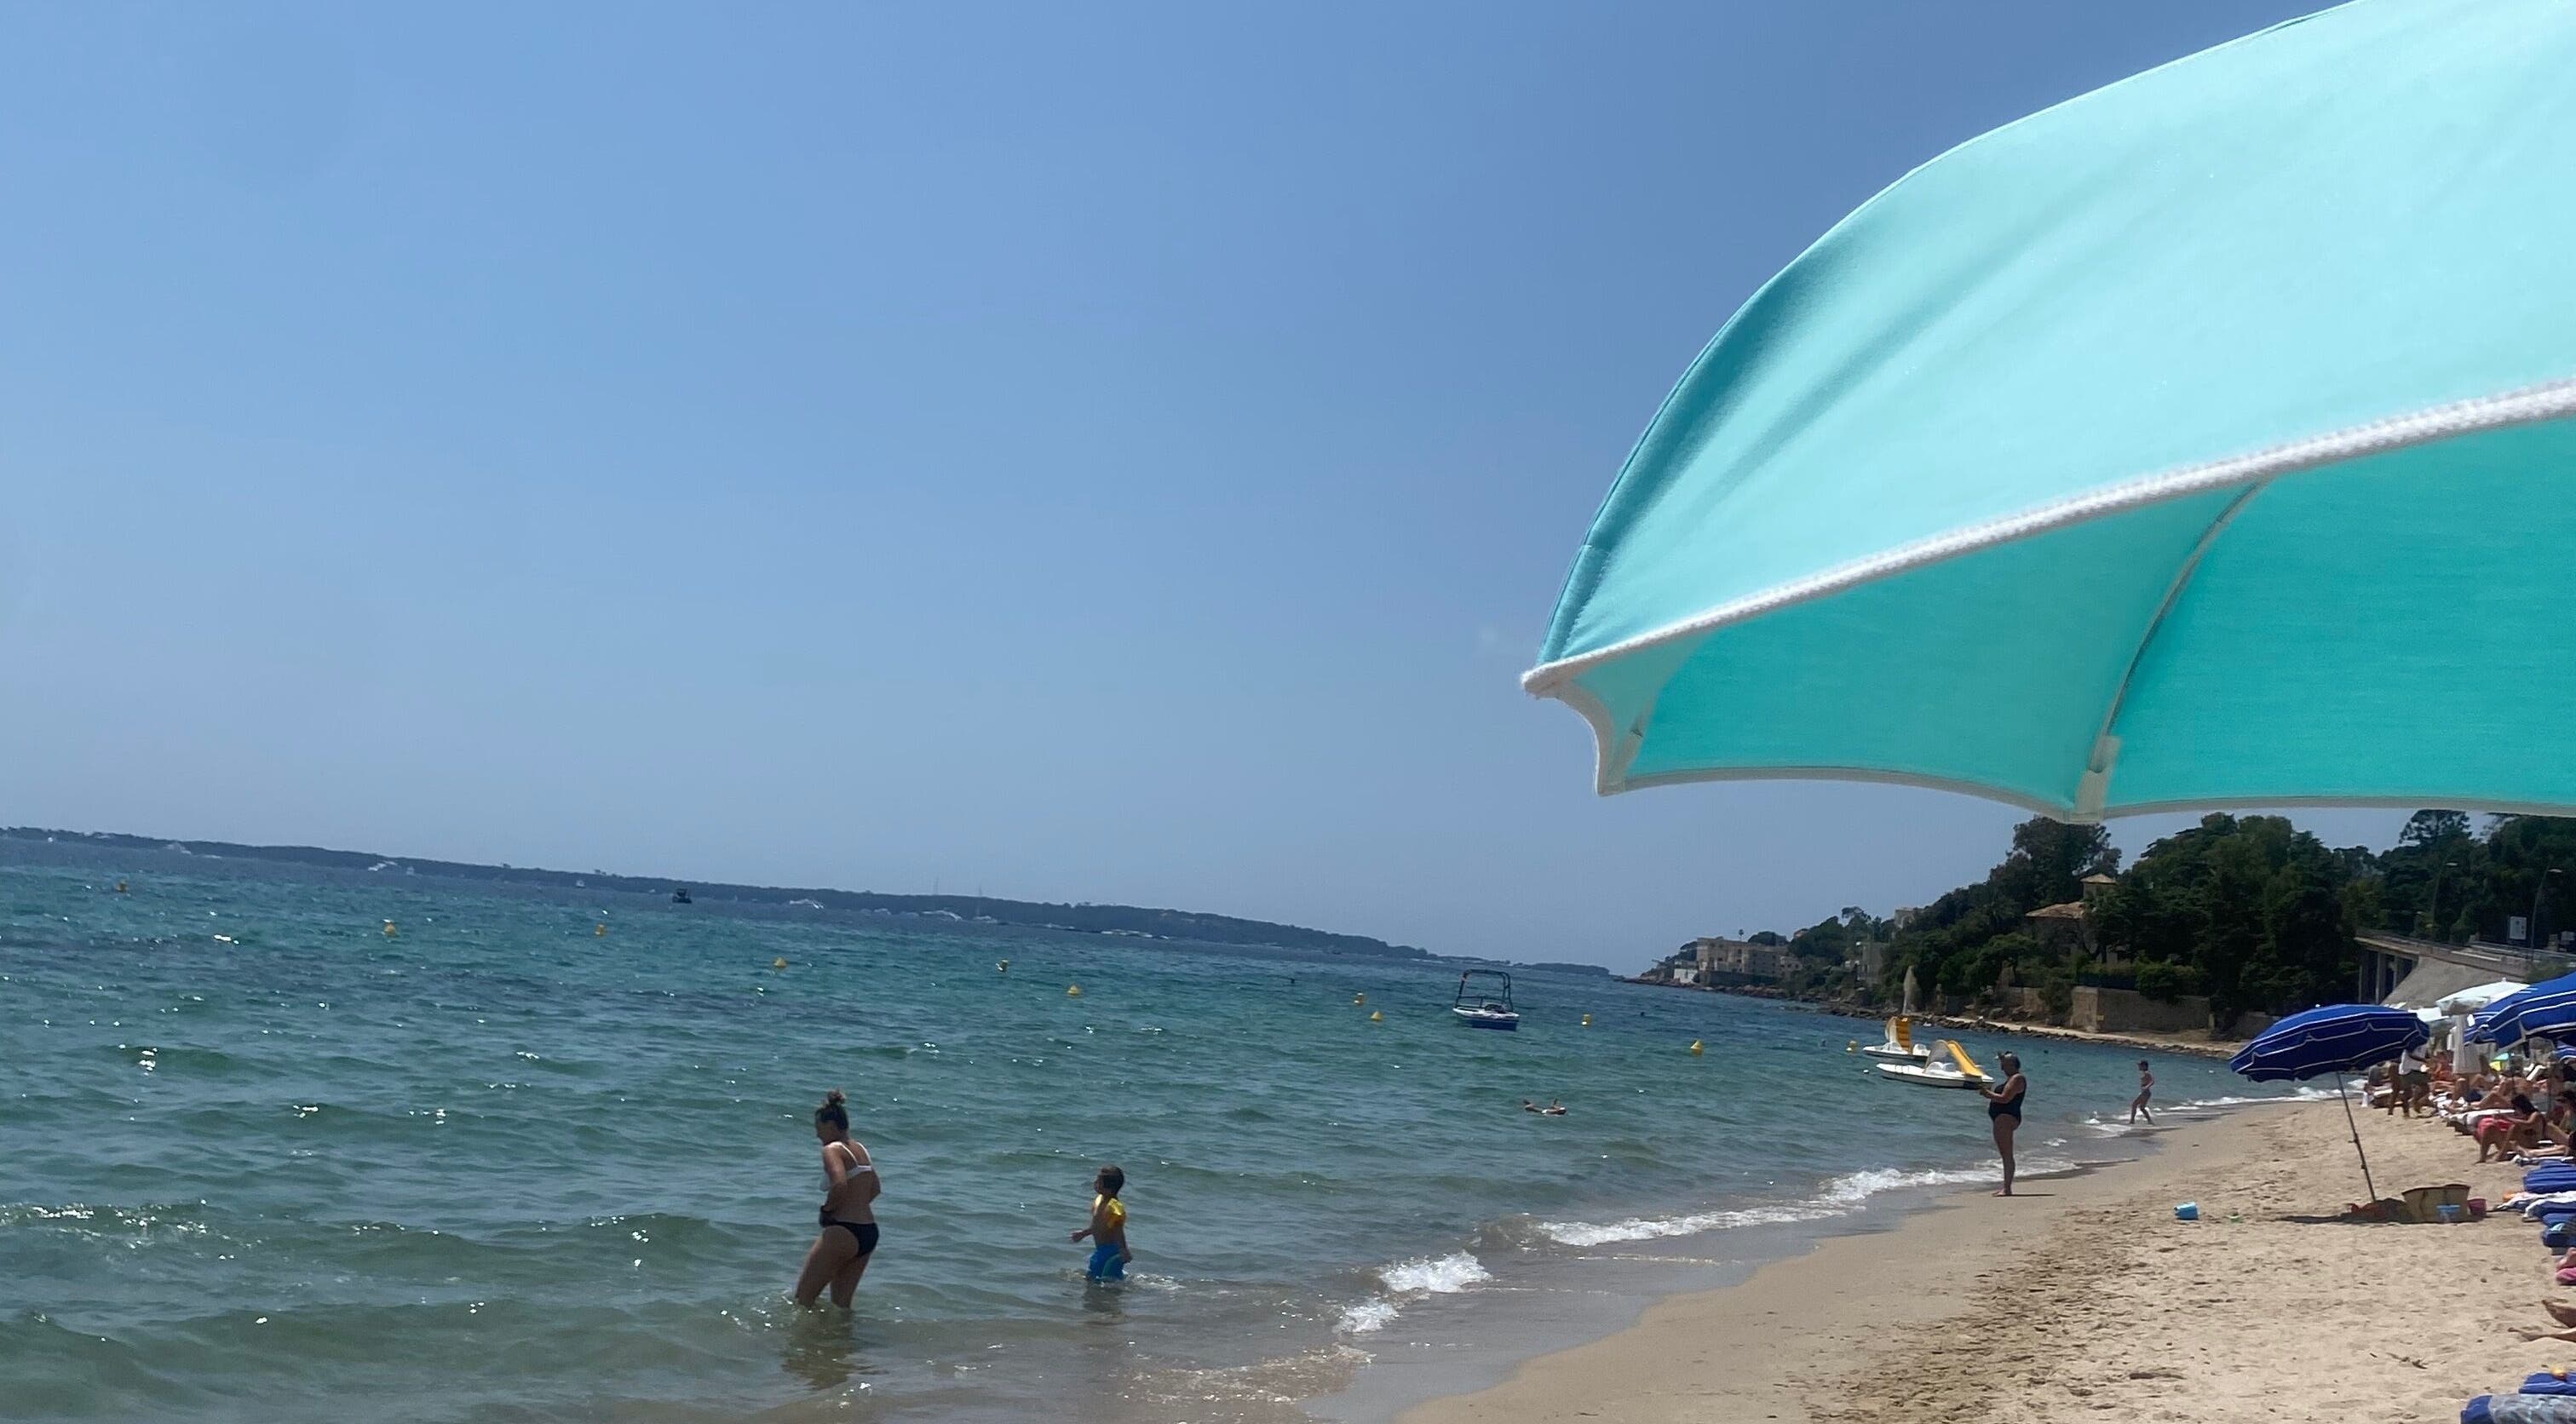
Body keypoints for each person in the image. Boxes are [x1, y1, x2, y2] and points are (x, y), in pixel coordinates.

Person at [792, 1089, 879, 1308]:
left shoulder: (832, 1149)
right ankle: (841, 1341)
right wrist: (856, 1206)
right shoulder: (860, 1149)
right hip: (868, 1231)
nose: (817, 1136)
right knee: (841, 1304)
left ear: (830, 1126)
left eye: (818, 1129)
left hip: (843, 1230)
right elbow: (876, 1188)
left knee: (803, 1299)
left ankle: (809, 1342)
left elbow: (839, 1184)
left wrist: (828, 1211)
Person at [1069, 1164, 1130, 1283]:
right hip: (1102, 1249)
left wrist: (1123, 1249)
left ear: (1109, 1189)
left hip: (1110, 1250)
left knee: (1097, 1279)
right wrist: (1084, 1233)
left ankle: (1104, 1298)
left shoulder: (1113, 1207)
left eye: (1098, 1181)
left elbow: (1118, 1229)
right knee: (1103, 1277)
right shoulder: (1100, 1200)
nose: (1095, 1182)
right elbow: (1099, 1226)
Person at [1978, 1052, 2027, 1196]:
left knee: (2006, 1154)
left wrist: (1987, 1094)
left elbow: (2005, 1098)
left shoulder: (2017, 1079)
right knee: (2005, 1153)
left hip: (2006, 1118)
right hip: (2003, 1118)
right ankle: (2006, 1187)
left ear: (2012, 1065)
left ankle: (2007, 1188)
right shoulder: (2012, 1079)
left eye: (2004, 1065)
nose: (2002, 1068)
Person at [2128, 1059, 2155, 1127]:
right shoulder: (2145, 1073)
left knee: (2134, 1105)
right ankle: (2149, 1121)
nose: (2139, 1067)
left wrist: (2146, 1087)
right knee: (2142, 1108)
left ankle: (2132, 1121)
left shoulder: (2147, 1073)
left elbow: (2152, 1081)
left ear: (2144, 1066)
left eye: (2140, 1065)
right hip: (2145, 1093)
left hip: (2145, 1093)